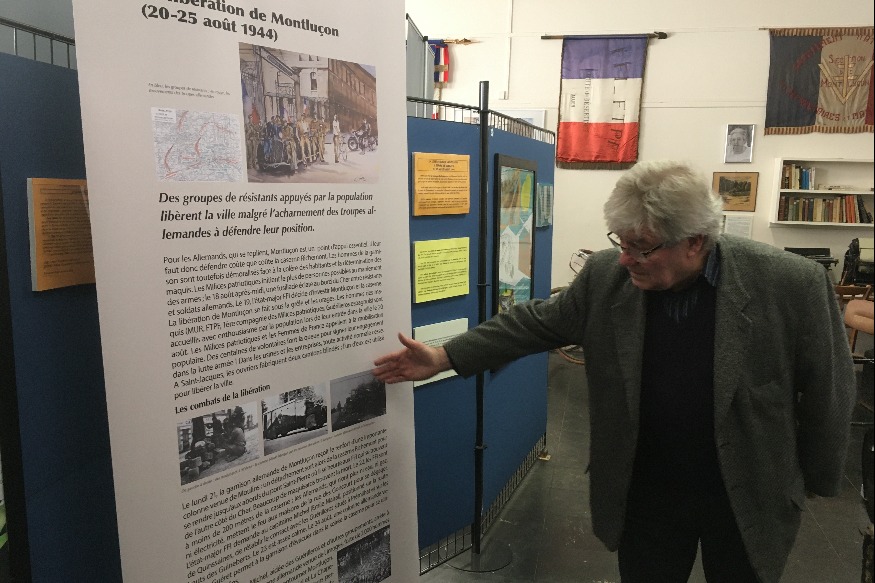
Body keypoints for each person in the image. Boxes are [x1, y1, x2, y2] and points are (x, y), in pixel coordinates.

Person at [373, 160, 855, 583]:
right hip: (647, 489)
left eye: (641, 247)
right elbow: (534, 323)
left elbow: (829, 388)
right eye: (620, 241)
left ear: (695, 242)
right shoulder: (607, 276)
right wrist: (444, 357)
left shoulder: (789, 284)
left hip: (748, 489)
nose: (626, 258)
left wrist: (815, 480)